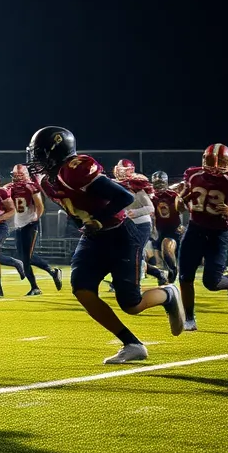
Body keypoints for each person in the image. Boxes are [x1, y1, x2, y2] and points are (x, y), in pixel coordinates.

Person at [26, 126, 184, 364]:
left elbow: (124, 197)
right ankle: (132, 344)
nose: (35, 160)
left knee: (131, 304)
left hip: (120, 236)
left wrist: (98, 219)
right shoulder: (48, 181)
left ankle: (168, 295)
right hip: (93, 239)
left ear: (55, 151)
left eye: (39, 154)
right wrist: (84, 223)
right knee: (82, 288)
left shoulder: (75, 169)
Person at [177, 144, 228, 330]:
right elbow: (181, 202)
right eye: (211, 160)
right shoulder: (193, 175)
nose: (215, 165)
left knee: (211, 283)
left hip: (218, 235)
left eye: (221, 162)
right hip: (194, 230)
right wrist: (179, 203)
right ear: (204, 160)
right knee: (185, 277)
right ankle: (189, 318)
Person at [6, 163, 62, 294]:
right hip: (19, 224)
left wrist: (36, 217)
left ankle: (35, 287)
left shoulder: (31, 187)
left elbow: (39, 205)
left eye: (20, 175)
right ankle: (53, 272)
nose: (17, 178)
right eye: (15, 175)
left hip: (30, 224)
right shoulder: (9, 187)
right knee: (24, 257)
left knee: (25, 259)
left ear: (25, 175)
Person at [112, 159, 168, 287]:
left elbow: (150, 208)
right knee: (123, 253)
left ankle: (132, 282)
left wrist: (134, 212)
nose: (118, 172)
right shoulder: (117, 184)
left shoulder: (135, 185)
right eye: (118, 168)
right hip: (126, 223)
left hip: (141, 224)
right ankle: (158, 273)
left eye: (122, 169)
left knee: (133, 254)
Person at [149, 171, 183, 281]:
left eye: (161, 182)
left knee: (167, 248)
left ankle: (173, 271)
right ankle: (164, 280)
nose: (159, 185)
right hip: (158, 230)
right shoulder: (151, 196)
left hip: (173, 228)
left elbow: (182, 209)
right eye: (157, 183)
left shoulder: (172, 195)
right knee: (159, 262)